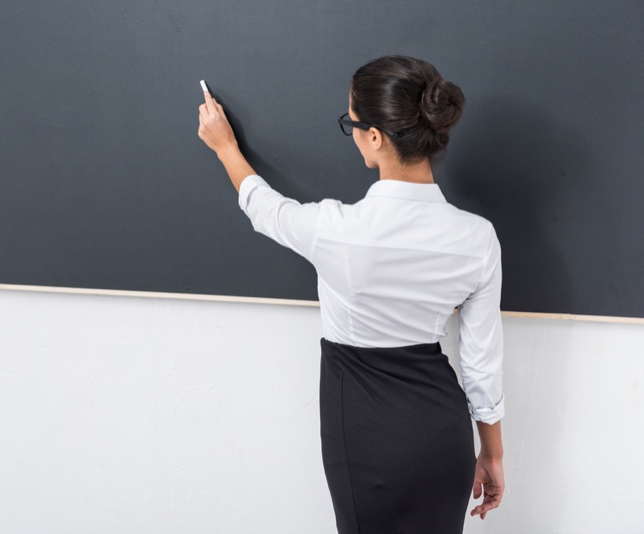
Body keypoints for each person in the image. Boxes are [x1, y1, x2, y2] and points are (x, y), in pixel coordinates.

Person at [197, 55, 505, 533]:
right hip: (442, 433)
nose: (354, 134)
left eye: (352, 124)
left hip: (365, 431)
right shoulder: (478, 237)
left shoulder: (335, 228)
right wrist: (492, 452)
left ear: (376, 137)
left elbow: (265, 209)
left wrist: (224, 147)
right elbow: (482, 364)